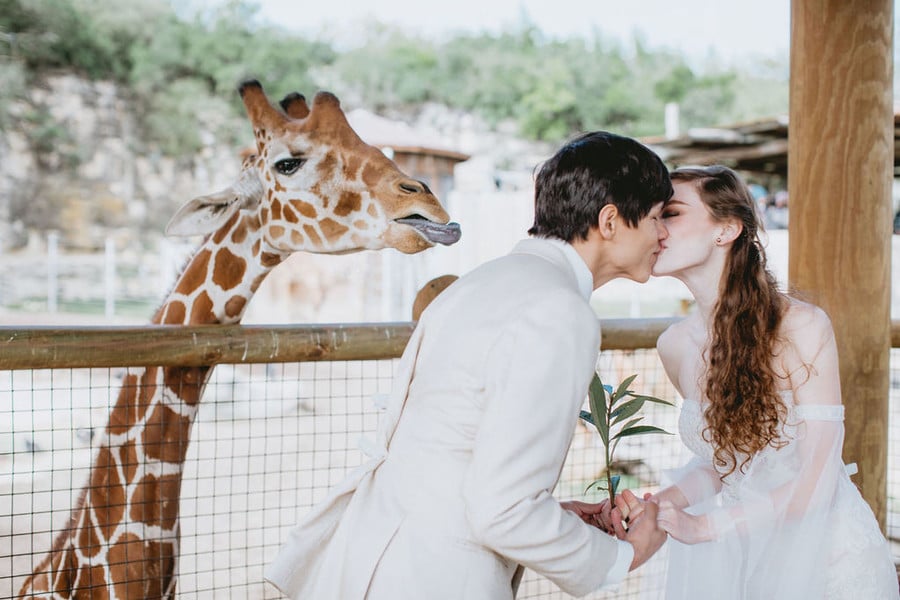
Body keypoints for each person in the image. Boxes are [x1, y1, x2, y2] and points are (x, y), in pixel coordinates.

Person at [265, 131, 672, 599]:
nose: (663, 234)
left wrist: (556, 516)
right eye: (658, 217)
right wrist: (625, 555)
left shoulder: (481, 283)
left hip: (377, 559)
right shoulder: (560, 312)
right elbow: (503, 512)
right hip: (435, 578)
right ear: (610, 221)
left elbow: (456, 455)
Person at [644, 165, 898, 598]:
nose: (655, 227)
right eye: (653, 215)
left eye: (671, 212)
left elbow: (817, 478)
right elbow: (725, 464)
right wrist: (664, 503)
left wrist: (707, 525)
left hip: (828, 560)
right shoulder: (674, 345)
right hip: (744, 558)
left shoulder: (802, 327)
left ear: (726, 229)